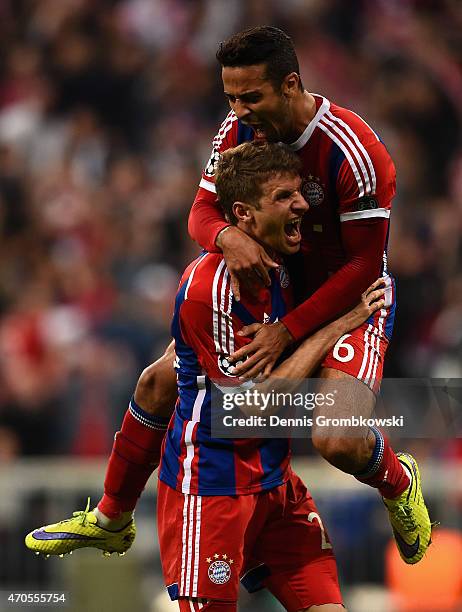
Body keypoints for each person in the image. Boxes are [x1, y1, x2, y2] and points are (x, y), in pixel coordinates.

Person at [25, 26, 431, 566]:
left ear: (290, 85)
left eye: (251, 96)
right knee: (157, 381)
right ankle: (111, 518)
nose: (239, 109)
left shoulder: (354, 151)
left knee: (338, 440)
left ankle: (399, 482)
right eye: (231, 97)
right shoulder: (239, 129)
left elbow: (362, 264)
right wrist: (228, 236)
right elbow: (201, 212)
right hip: (272, 286)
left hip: (350, 299)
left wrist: (289, 331)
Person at [27, 142, 387, 611]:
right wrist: (338, 323)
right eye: (283, 197)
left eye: (299, 193)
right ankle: (111, 515)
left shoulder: (280, 261)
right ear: (244, 216)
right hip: (213, 488)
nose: (301, 205)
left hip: (277, 487)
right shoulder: (211, 291)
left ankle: (111, 515)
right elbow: (255, 409)